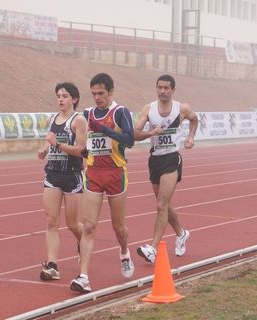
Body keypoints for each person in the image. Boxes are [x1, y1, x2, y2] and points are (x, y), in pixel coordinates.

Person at [70, 73, 135, 293]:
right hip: (94, 174)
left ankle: (124, 251)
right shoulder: (86, 114)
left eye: (101, 93)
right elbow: (81, 143)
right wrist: (84, 149)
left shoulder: (120, 112)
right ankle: (84, 277)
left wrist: (104, 129)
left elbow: (130, 140)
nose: (97, 98)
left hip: (116, 174)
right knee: (89, 226)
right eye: (94, 94)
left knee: (118, 227)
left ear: (110, 92)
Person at [134, 74, 198, 263]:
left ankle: (152, 248)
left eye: (166, 88)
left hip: (172, 158)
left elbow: (194, 120)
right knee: (165, 204)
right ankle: (181, 233)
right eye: (159, 87)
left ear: (172, 90)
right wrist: (150, 132)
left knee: (161, 205)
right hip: (155, 160)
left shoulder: (182, 108)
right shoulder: (149, 109)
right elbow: (135, 134)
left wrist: (191, 137)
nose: (162, 91)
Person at [38, 82, 87, 280]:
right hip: (52, 174)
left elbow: (81, 149)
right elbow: (49, 142)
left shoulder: (78, 120)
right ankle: (52, 265)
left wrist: (57, 144)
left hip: (72, 175)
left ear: (74, 99)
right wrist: (44, 150)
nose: (60, 99)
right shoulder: (52, 119)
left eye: (65, 96)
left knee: (73, 224)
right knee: (51, 221)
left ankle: (83, 244)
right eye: (58, 95)